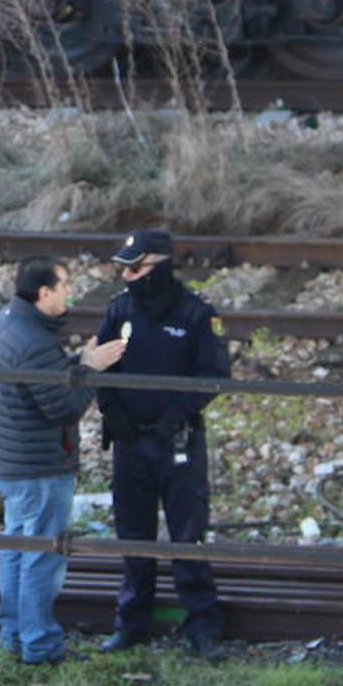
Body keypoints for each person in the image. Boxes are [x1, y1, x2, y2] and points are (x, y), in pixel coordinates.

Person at [95, 228, 231, 662]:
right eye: (123, 268)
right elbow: (100, 365)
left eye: (136, 268)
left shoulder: (195, 314)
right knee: (133, 534)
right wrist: (112, 414)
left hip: (178, 440)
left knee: (187, 535)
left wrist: (174, 416)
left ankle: (202, 627)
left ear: (162, 265)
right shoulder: (119, 310)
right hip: (131, 441)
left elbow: (213, 375)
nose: (128, 276)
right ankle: (132, 623)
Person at [0, 255, 126, 666]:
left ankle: (15, 636)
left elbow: (41, 382)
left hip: (12, 463)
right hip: (39, 468)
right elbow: (63, 408)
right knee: (43, 558)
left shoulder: (7, 322)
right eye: (64, 285)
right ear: (44, 292)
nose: (70, 292)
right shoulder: (33, 341)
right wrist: (91, 370)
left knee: (16, 551)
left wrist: (75, 365)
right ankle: (41, 647)